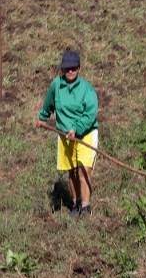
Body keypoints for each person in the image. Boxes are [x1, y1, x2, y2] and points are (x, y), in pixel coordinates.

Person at [36, 50, 99, 215]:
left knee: (83, 170)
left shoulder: (87, 90)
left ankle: (85, 206)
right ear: (63, 69)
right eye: (67, 68)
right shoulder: (56, 85)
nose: (70, 71)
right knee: (71, 171)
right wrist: (42, 117)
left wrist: (76, 129)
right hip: (65, 135)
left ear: (79, 68)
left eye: (74, 68)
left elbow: (90, 114)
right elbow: (48, 104)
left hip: (85, 134)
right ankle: (76, 203)